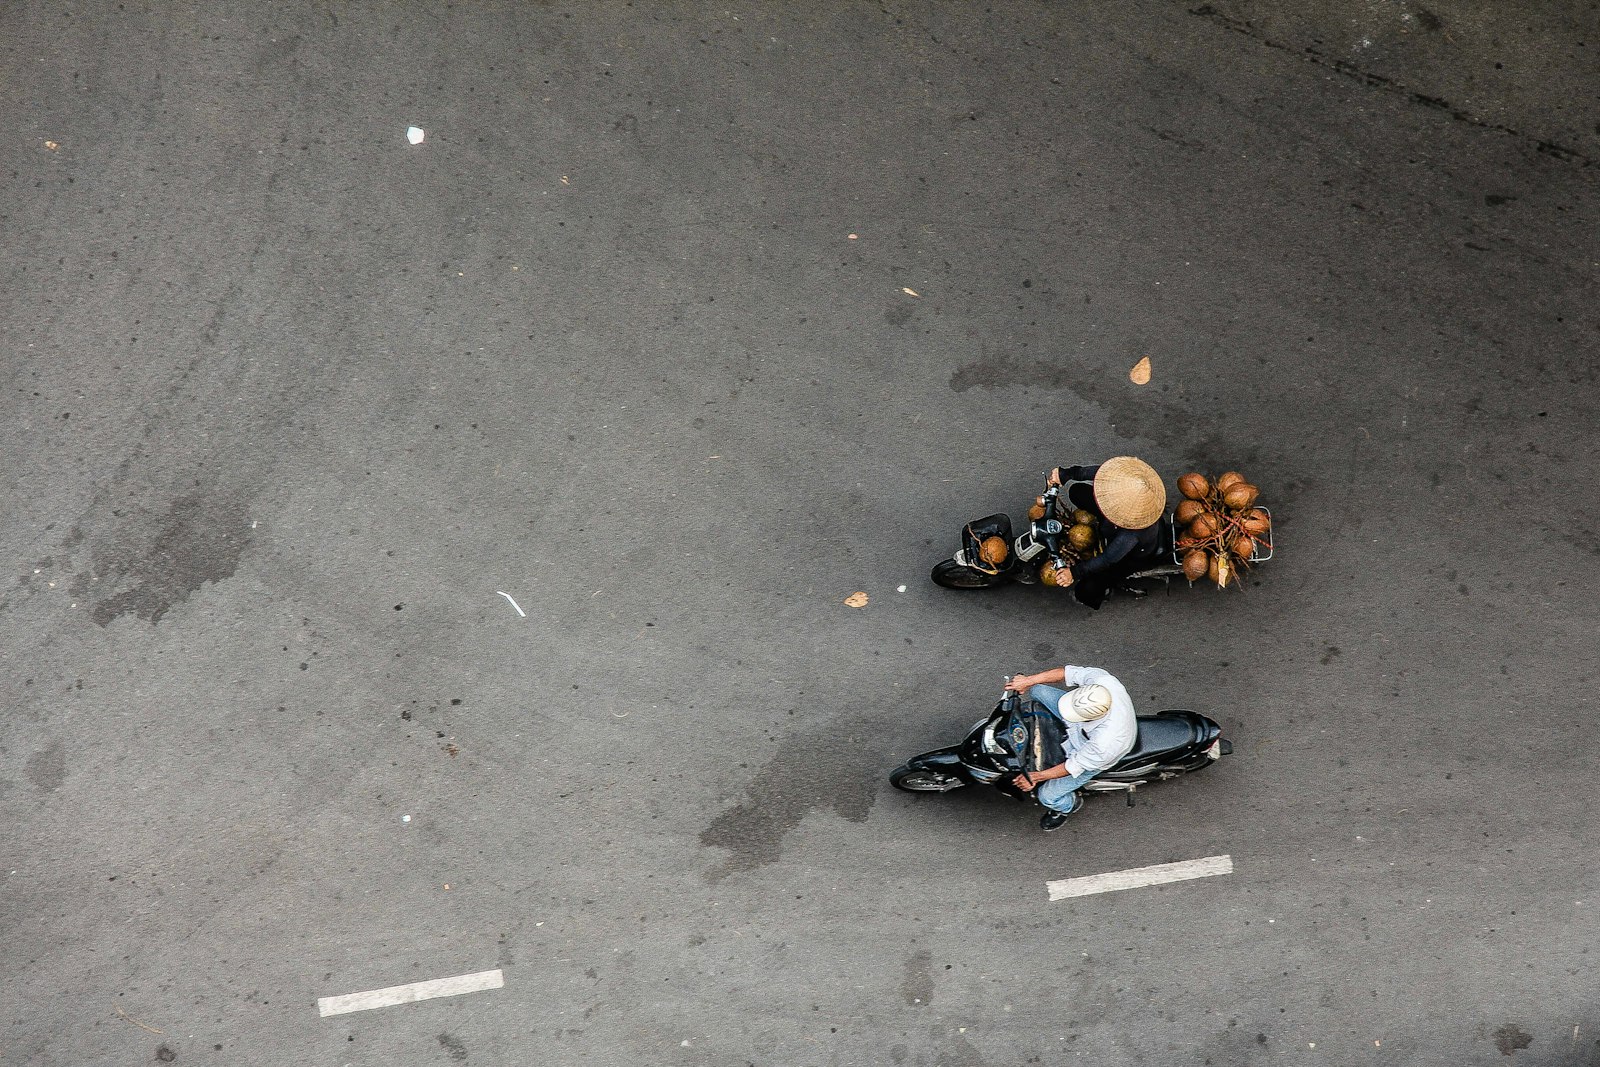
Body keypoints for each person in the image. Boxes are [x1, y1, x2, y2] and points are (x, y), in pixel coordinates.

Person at [1005, 664, 1138, 831]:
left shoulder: (1105, 743)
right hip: (1077, 725)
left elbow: (1072, 766)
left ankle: (1068, 806)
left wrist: (1036, 777)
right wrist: (1028, 681)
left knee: (1047, 796)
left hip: (1087, 754)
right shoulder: (1102, 681)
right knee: (1037, 690)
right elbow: (1066, 673)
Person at [1045, 456, 1167, 609]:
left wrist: (1075, 573)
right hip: (1113, 526)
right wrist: (1066, 474)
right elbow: (1098, 473)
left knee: (1092, 586)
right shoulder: (1126, 477)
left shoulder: (1132, 534)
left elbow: (1107, 558)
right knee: (1077, 491)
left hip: (1134, 554)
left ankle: (1098, 596)